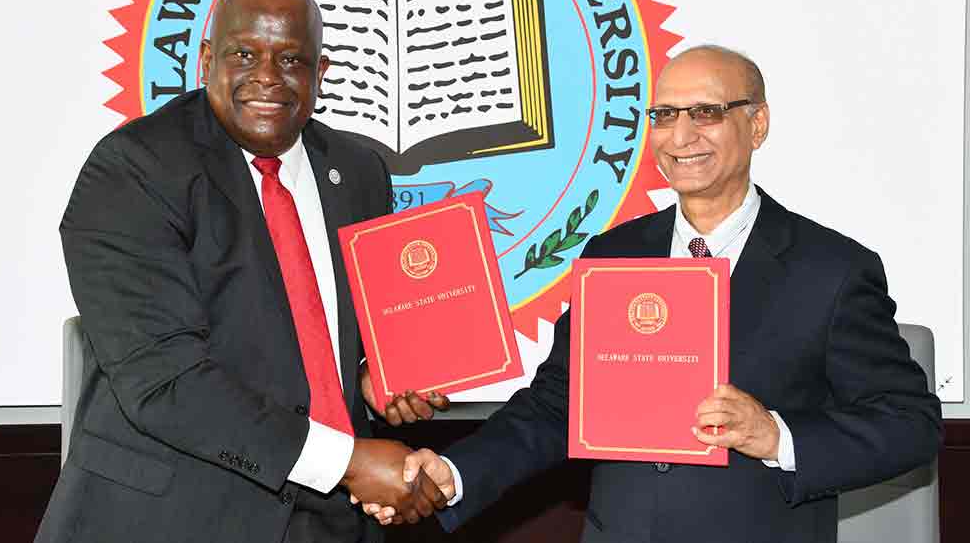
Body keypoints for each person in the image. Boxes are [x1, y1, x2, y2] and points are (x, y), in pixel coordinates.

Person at [367, 45, 944, 542]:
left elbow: (910, 424)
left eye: (708, 113)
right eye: (664, 115)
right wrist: (455, 472)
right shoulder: (612, 255)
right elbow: (557, 404)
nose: (681, 136)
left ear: (758, 124)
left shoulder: (833, 269)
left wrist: (776, 435)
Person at [36, 0, 449, 543]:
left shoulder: (357, 173)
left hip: (332, 522)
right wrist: (349, 462)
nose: (266, 78)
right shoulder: (134, 169)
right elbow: (168, 383)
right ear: (207, 59)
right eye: (243, 54)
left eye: (291, 60)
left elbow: (318, 335)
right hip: (172, 518)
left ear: (320, 74)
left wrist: (367, 378)